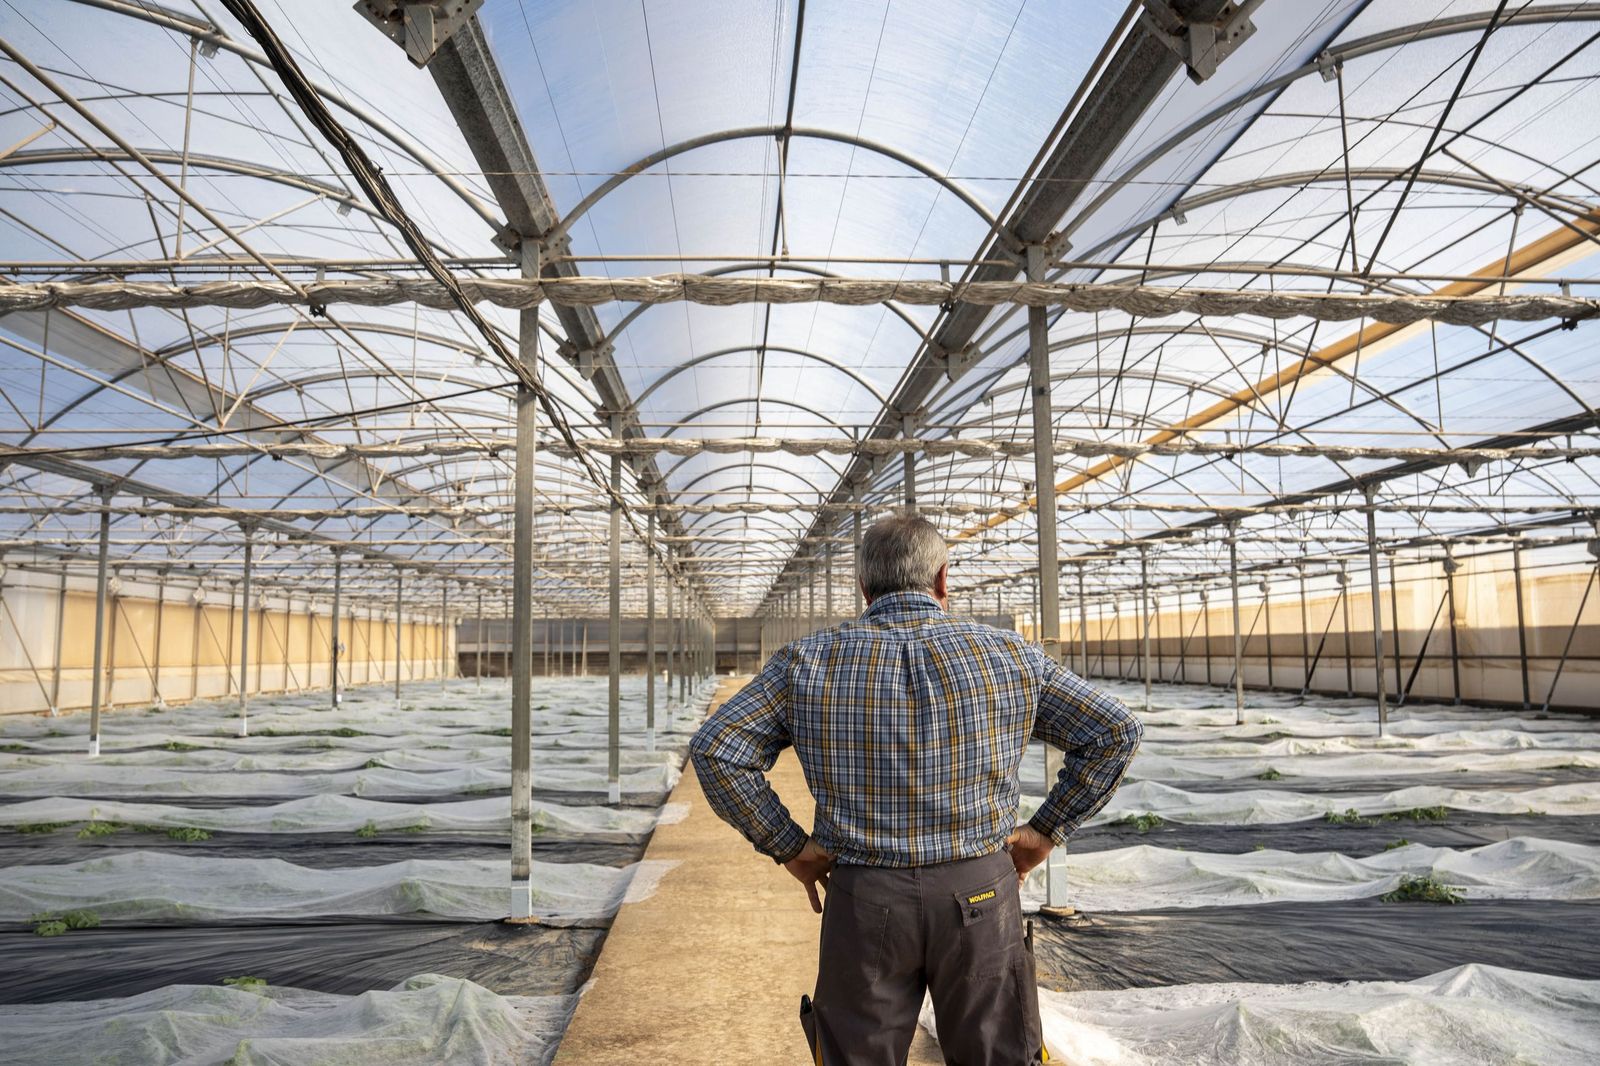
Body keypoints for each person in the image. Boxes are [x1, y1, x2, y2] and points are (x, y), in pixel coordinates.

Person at [690, 515, 1143, 1065]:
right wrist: (1046, 830)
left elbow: (718, 749)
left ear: (863, 586)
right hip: (979, 890)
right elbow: (1116, 729)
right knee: (996, 1054)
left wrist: (791, 847)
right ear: (943, 578)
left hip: (865, 898)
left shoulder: (806, 662)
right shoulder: (1007, 656)